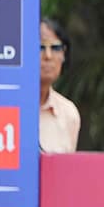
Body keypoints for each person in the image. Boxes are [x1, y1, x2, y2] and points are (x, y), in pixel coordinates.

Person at [40, 17, 81, 153]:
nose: (48, 56)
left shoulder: (69, 114)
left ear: (64, 55)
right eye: (40, 47)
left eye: (56, 48)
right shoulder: (6, 108)